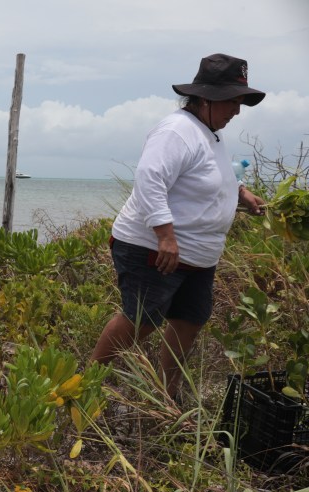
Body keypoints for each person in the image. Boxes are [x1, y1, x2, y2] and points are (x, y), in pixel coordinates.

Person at [90, 54, 266, 400]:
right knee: (143, 319)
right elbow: (150, 179)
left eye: (240, 101)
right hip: (153, 247)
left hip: (198, 256)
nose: (237, 110)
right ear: (206, 98)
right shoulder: (177, 130)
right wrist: (165, 236)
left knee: (190, 319)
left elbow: (208, 174)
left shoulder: (209, 133)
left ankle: (168, 395)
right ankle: (86, 386)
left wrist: (240, 192)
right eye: (232, 101)